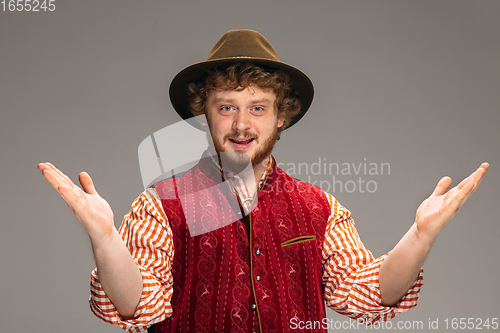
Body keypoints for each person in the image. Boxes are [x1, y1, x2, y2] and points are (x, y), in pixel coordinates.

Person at [38, 30, 488, 333]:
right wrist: (104, 239)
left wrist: (421, 236)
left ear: (281, 116)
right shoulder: (164, 204)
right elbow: (138, 306)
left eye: (257, 107)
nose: (240, 124)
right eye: (225, 106)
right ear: (204, 113)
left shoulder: (319, 207)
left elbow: (368, 294)